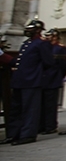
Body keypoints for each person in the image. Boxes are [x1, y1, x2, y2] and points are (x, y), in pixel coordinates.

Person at [5, 17, 53, 145]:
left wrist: (38, 76)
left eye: (30, 29)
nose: (27, 31)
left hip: (32, 81)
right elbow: (20, 62)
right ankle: (14, 134)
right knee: (16, 109)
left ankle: (28, 134)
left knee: (29, 110)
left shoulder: (42, 43)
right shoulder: (27, 43)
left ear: (37, 30)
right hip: (20, 81)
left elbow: (48, 62)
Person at [41, 28, 66, 135]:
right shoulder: (45, 47)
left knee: (50, 105)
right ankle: (42, 125)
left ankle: (50, 126)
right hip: (43, 80)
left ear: (55, 36)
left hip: (53, 79)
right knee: (42, 105)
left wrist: (59, 77)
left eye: (50, 36)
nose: (47, 38)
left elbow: (63, 65)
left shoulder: (60, 48)